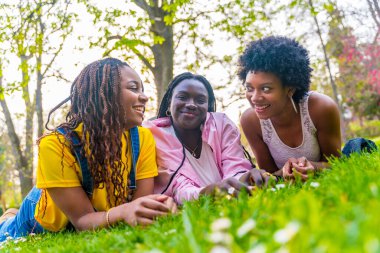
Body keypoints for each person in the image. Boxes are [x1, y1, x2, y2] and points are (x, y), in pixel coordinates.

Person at [0, 58, 176, 242]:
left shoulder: (142, 139)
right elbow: (82, 221)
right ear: (105, 94)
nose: (144, 97)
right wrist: (123, 212)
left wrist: (157, 207)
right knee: (5, 233)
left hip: (76, 199)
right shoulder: (55, 145)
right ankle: (8, 217)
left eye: (143, 90)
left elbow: (139, 206)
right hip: (40, 212)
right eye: (133, 88)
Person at [144, 72, 272, 205]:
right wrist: (208, 192)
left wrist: (244, 179)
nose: (191, 104)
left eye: (200, 100)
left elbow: (235, 167)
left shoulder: (221, 126)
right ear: (170, 101)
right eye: (182, 97)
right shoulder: (155, 136)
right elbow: (178, 189)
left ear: (208, 106)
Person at [238, 36, 342, 181]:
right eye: (249, 88)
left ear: (290, 89)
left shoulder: (321, 107)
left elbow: (336, 163)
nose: (254, 98)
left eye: (266, 88)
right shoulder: (250, 121)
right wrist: (286, 171)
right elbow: (269, 175)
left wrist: (313, 167)